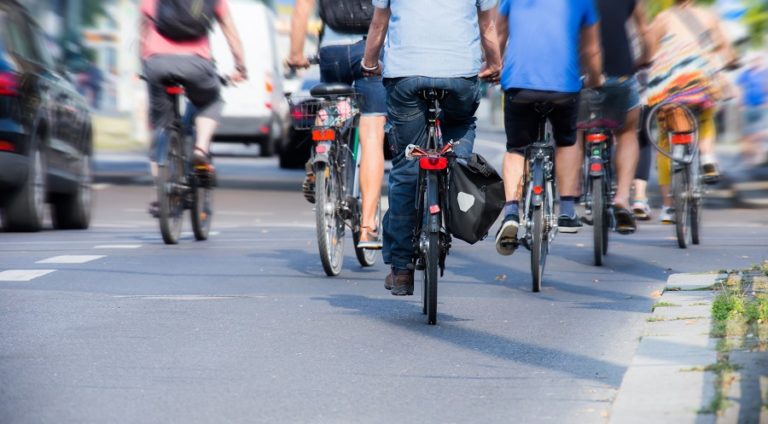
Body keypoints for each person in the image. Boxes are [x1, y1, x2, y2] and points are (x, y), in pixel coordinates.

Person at [362, 0, 501, 295]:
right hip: (459, 75)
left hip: (405, 77)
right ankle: (456, 169)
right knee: (461, 126)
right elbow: (487, 25)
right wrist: (495, 63)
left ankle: (401, 269)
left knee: (406, 163)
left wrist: (369, 63)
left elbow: (378, 23)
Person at [494, 0, 603, 254]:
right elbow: (591, 49)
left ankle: (511, 211)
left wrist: (496, 68)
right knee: (566, 141)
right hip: (564, 87)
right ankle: (566, 208)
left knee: (516, 149)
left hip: (519, 85)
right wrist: (596, 81)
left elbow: (499, 33)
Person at [287, 0, 387, 249]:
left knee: (332, 107)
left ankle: (322, 152)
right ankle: (367, 228)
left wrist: (296, 54)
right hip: (373, 48)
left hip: (331, 52)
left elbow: (301, 11)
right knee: (372, 134)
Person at [140, 0, 247, 214]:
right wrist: (240, 65)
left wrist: (144, 63)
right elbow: (230, 31)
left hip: (157, 64)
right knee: (211, 101)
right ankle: (200, 149)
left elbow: (143, 28)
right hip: (196, 64)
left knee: (161, 126)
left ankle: (160, 192)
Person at [645, 0, 738, 223]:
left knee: (666, 139)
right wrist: (732, 61)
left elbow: (648, 52)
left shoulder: (662, 19)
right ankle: (707, 158)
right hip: (699, 81)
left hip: (669, 85)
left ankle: (669, 206)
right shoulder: (708, 16)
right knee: (705, 114)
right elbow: (724, 48)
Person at [574, 0, 652, 234]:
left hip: (581, 74)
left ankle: (574, 185)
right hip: (621, 74)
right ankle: (622, 199)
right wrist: (644, 59)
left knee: (575, 128)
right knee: (628, 132)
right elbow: (644, 31)